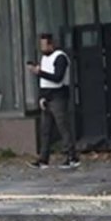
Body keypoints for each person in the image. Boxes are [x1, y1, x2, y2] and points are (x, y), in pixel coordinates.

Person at [27, 33, 77, 170]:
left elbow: (57, 78)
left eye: (44, 45)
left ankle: (71, 156)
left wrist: (39, 72)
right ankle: (43, 159)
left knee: (63, 126)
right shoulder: (44, 58)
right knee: (45, 129)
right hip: (47, 96)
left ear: (51, 44)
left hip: (58, 95)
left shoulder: (60, 57)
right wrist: (41, 97)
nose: (42, 48)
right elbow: (44, 82)